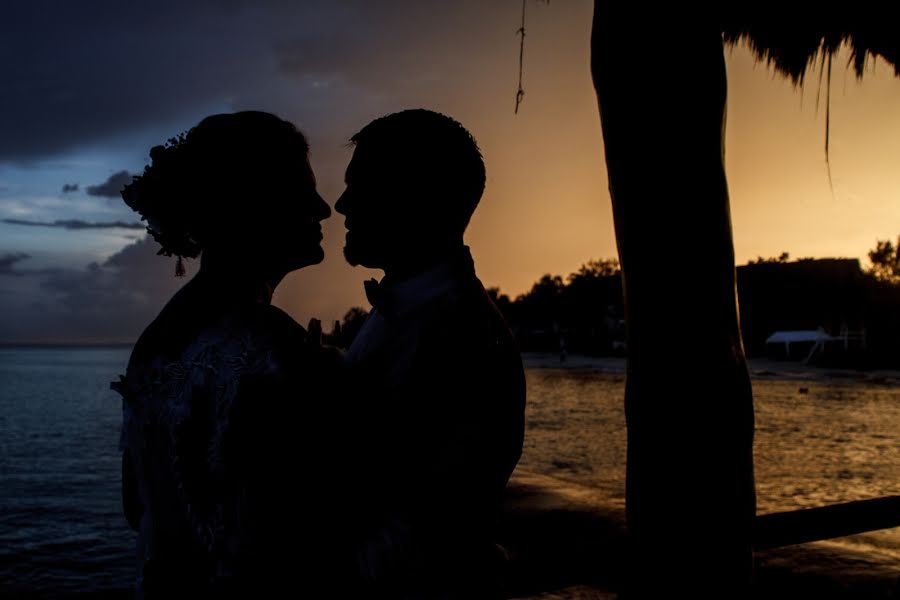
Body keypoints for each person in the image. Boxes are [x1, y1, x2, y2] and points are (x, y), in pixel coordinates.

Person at [112, 111, 338, 598]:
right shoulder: (273, 348)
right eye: (303, 191)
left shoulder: (157, 337)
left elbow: (137, 506)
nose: (323, 209)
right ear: (250, 204)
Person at [335, 108, 526, 598]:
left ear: (415, 197)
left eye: (360, 187)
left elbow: (433, 524)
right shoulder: (407, 309)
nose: (341, 205)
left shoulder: (462, 332)